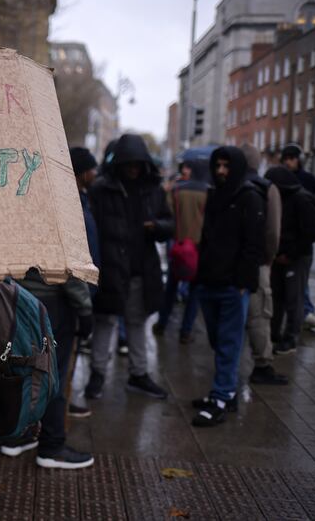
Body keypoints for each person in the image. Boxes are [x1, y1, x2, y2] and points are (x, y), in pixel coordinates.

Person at [86, 133, 173, 400]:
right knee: (105, 323)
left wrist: (157, 227)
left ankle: (139, 373)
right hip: (110, 270)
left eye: (138, 163)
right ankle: (97, 375)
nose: (134, 169)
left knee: (137, 323)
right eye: (129, 163)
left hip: (140, 270)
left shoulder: (153, 190)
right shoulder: (102, 189)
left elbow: (169, 224)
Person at [192, 146, 264, 427]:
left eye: (226, 166)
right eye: (217, 165)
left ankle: (221, 397)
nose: (221, 171)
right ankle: (227, 392)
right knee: (217, 340)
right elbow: (207, 239)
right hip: (210, 281)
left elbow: (254, 244)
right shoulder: (214, 195)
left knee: (228, 344)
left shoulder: (250, 198)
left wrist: (244, 283)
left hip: (234, 287)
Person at [6, 271, 94, 469]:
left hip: (13, 296)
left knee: (21, 366)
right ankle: (51, 447)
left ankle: (17, 435)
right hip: (51, 301)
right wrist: (85, 308)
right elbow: (67, 267)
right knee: (54, 375)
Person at [240, 144, 288, 385]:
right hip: (258, 262)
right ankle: (262, 364)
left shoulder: (230, 186)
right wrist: (269, 257)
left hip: (232, 263)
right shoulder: (267, 189)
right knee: (259, 314)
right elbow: (273, 231)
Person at [153, 154, 209, 345]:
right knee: (194, 293)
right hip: (199, 249)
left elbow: (168, 214)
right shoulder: (208, 192)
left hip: (178, 246)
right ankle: (185, 331)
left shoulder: (176, 190)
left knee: (171, 288)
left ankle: (161, 323)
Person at [265, 166, 315, 354]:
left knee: (293, 298)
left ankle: (290, 338)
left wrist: (289, 254)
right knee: (279, 297)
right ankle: (276, 334)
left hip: (295, 257)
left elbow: (309, 233)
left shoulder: (301, 199)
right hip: (284, 255)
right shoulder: (289, 197)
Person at [67, 147, 99, 418]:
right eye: (92, 169)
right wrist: (84, 305)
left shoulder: (83, 199)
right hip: (68, 297)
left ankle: (62, 404)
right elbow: (74, 259)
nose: (95, 173)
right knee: (62, 358)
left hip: (76, 294)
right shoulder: (72, 203)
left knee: (68, 357)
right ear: (82, 173)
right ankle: (55, 414)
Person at [280, 144, 315, 329]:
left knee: (300, 278)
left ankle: (304, 311)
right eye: (286, 158)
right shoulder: (282, 178)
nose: (289, 162)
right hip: (287, 235)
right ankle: (302, 312)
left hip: (302, 236)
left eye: (292, 158)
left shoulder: (308, 179)